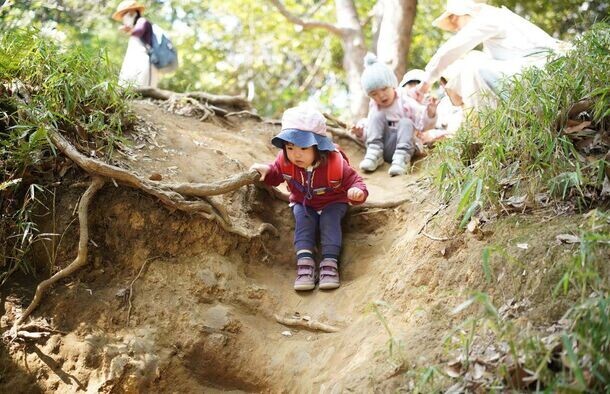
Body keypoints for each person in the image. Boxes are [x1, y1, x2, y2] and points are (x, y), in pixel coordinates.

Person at [250, 106, 368, 291]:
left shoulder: (334, 164)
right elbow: (276, 174)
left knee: (329, 220)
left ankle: (329, 263)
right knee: (303, 223)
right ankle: (305, 265)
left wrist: (356, 192)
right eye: (290, 147)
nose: (296, 154)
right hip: (303, 203)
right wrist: (267, 171)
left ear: (318, 146)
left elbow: (355, 180)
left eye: (303, 147)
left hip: (333, 201)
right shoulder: (285, 161)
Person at [415, 0, 563, 110]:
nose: (457, 29)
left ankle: (487, 127)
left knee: (471, 65)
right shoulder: (497, 19)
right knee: (475, 59)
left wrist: (425, 84)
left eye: (455, 23)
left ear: (458, 15)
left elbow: (449, 51)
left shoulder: (488, 18)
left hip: (542, 76)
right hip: (535, 75)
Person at [358, 54, 437, 176]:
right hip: (384, 147)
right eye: (374, 94)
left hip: (406, 146)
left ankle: (402, 161)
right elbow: (372, 129)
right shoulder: (375, 107)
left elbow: (422, 124)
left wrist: (430, 113)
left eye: (384, 89)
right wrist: (361, 133)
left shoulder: (404, 101)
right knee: (376, 116)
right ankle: (374, 154)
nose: (381, 95)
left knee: (405, 122)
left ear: (392, 85)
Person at [112, 1, 159, 88]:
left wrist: (129, 29)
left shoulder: (142, 21)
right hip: (138, 58)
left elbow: (139, 31)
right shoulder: (136, 25)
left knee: (142, 82)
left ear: (132, 11)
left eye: (125, 14)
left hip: (145, 58)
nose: (124, 17)